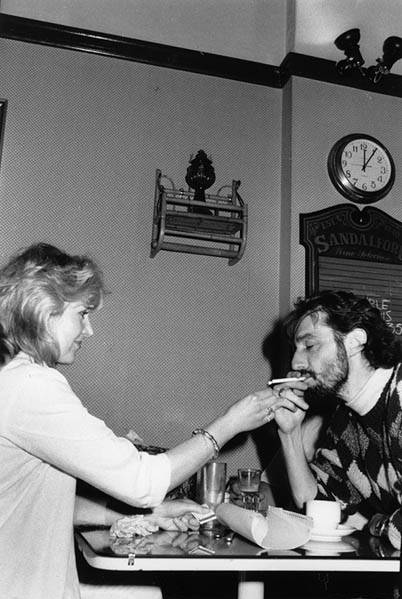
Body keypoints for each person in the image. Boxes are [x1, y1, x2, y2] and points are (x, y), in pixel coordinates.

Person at [0, 242, 277, 599]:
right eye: (82, 314)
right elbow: (143, 480)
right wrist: (229, 424)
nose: (89, 331)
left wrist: (147, 515)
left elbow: (50, 500)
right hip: (20, 585)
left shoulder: (17, 378)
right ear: (44, 309)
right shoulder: (32, 386)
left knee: (139, 592)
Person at [267, 289, 402, 550]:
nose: (296, 361)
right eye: (296, 349)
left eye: (310, 345)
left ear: (355, 341)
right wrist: (290, 434)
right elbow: (318, 510)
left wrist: (381, 524)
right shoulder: (345, 421)